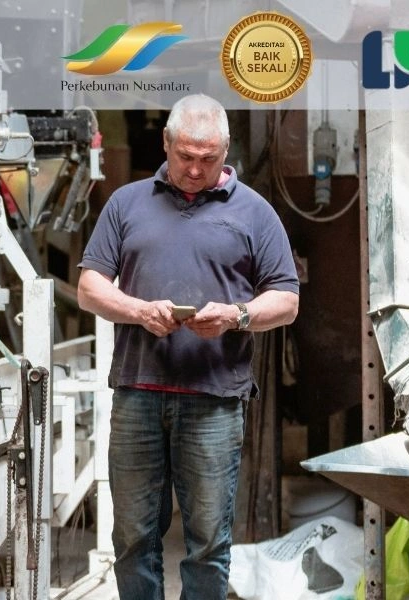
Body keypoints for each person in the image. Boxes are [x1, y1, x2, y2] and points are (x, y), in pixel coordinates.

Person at [77, 95, 300, 599]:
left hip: (214, 400)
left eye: (209, 158)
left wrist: (237, 316)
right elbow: (92, 285)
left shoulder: (255, 212)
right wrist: (138, 310)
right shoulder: (127, 203)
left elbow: (286, 301)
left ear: (225, 151)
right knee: (133, 536)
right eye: (185, 156)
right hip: (137, 395)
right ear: (166, 144)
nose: (196, 169)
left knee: (207, 542)